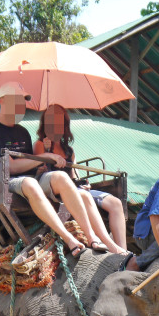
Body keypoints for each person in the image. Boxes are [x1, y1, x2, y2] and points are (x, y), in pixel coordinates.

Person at [0, 82, 102, 257]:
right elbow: (11, 167)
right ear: (3, 100)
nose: (21, 105)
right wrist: (43, 158)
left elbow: (30, 163)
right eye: (17, 100)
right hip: (7, 182)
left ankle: (91, 237)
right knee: (29, 183)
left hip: (30, 179)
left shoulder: (23, 132)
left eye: (22, 101)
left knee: (60, 176)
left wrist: (41, 165)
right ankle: (69, 239)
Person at [34, 104, 126, 253]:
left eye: (60, 122)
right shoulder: (40, 145)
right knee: (82, 194)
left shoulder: (69, 150)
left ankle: (123, 249)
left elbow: (75, 175)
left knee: (115, 203)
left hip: (75, 187)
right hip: (58, 190)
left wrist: (84, 183)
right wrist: (46, 151)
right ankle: (110, 246)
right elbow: (41, 170)